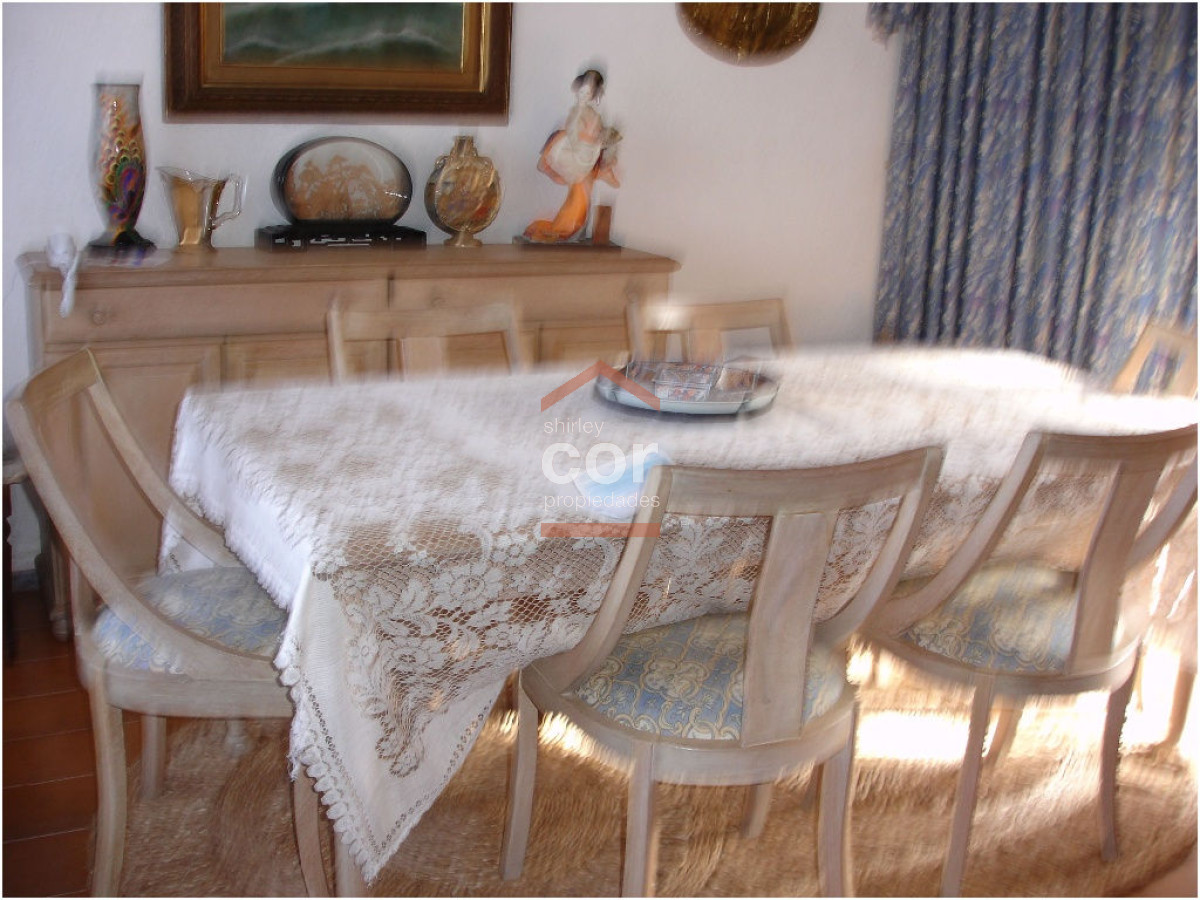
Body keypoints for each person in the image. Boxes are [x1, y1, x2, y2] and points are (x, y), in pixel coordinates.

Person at [523, 69, 621, 243]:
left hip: (586, 154)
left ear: (593, 96)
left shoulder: (592, 115)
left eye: (587, 93)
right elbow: (573, 132)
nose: (583, 96)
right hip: (577, 154)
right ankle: (568, 228)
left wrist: (596, 139)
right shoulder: (576, 112)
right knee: (578, 191)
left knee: (581, 193)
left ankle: (571, 228)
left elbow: (591, 134)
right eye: (581, 92)